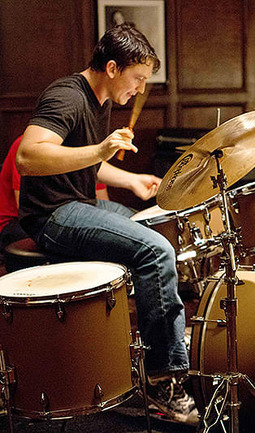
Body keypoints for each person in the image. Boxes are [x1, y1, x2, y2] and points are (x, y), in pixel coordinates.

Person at [15, 24, 198, 425]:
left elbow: (84, 161)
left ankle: (157, 344)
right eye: (138, 78)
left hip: (76, 203)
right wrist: (101, 149)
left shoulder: (101, 99)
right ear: (113, 68)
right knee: (156, 251)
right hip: (50, 215)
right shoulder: (66, 95)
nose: (141, 89)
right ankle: (163, 379)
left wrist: (130, 180)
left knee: (156, 230)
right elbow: (28, 157)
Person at [0, 135, 109, 252]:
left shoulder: (85, 152)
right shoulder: (30, 148)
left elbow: (102, 202)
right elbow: (24, 208)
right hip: (19, 222)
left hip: (64, 215)